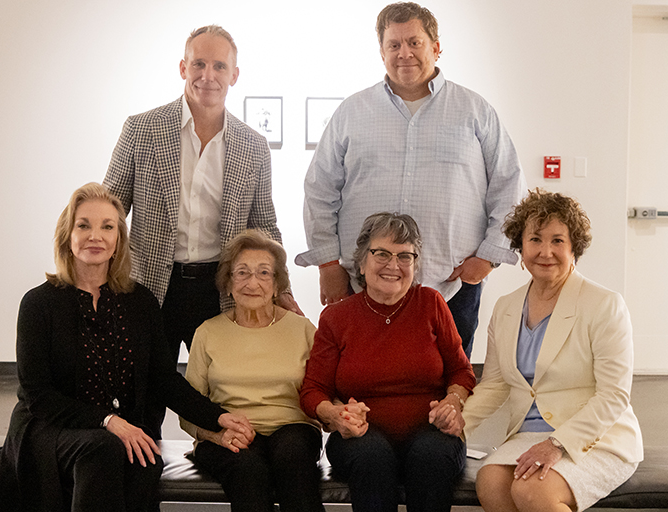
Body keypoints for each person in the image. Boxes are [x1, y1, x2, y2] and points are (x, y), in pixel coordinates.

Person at [0, 183, 242, 512]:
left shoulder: (140, 302)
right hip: (49, 430)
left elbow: (164, 380)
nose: (95, 236)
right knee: (105, 447)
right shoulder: (39, 304)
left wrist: (218, 418)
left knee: (143, 460)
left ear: (118, 241)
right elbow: (38, 396)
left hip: (115, 432)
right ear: (67, 235)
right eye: (84, 225)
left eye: (107, 227)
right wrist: (108, 420)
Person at [296, 2, 527, 358]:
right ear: (382, 51)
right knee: (361, 382)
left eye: (414, 42)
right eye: (394, 44)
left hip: (450, 285)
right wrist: (328, 264)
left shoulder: (475, 111)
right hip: (364, 283)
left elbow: (508, 185)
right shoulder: (352, 112)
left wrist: (490, 256)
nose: (404, 53)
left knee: (448, 390)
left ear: (436, 47)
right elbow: (320, 189)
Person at [104, 24, 299, 437]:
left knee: (221, 393)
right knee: (142, 393)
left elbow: (264, 223)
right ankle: (140, 474)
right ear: (182, 67)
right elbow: (111, 210)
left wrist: (282, 290)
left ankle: (225, 463)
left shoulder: (252, 145)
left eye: (218, 66)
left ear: (234, 75)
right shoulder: (141, 129)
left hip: (217, 286)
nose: (207, 75)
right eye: (198, 63)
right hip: (150, 285)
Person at [461, 189, 644, 512]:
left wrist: (557, 444)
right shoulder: (506, 308)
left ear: (575, 247)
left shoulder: (604, 304)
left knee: (533, 491)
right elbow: (495, 385)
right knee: (490, 481)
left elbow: (614, 396)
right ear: (521, 246)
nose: (546, 251)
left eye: (558, 240)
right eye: (535, 239)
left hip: (594, 438)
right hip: (527, 435)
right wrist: (457, 425)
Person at [300, 212, 476, 512]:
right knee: (372, 455)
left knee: (431, 454)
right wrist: (336, 414)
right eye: (381, 253)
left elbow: (461, 371)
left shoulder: (432, 304)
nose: (393, 265)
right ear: (361, 261)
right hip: (359, 439)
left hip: (431, 435)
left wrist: (452, 402)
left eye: (404, 256)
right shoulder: (336, 317)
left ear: (415, 263)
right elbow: (312, 390)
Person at [179, 230, 324, 512]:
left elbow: (322, 389)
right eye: (242, 273)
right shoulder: (208, 332)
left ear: (277, 282)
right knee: (247, 468)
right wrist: (216, 434)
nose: (252, 282)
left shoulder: (303, 329)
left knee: (292, 458)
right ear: (228, 281)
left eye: (263, 273)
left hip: (293, 429)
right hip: (226, 432)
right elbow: (188, 410)